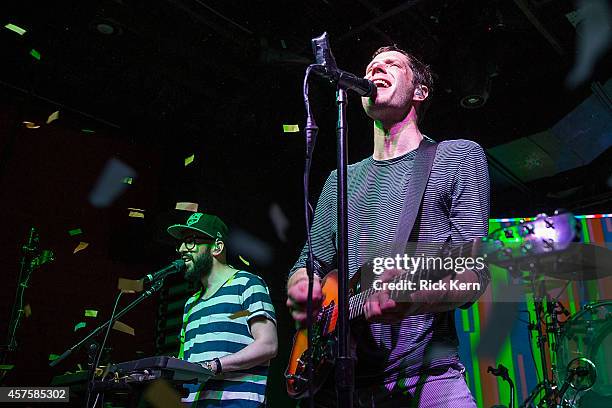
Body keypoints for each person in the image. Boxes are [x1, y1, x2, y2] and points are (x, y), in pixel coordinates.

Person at [286, 45, 490, 407]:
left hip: (427, 377)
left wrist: (414, 299)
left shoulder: (456, 156)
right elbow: (310, 262)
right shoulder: (340, 180)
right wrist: (301, 284)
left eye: (391, 64)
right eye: (371, 66)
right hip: (340, 383)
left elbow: (472, 275)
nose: (376, 69)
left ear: (419, 92)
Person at [169, 212, 278, 407]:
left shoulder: (247, 284)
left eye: (191, 241)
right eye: (181, 243)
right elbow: (185, 361)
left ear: (217, 247)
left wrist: (214, 366)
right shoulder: (190, 304)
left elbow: (268, 345)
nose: (182, 249)